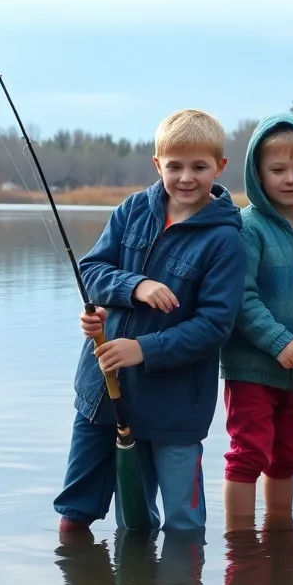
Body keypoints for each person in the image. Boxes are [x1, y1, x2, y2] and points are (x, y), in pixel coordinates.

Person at [58, 108, 248, 538]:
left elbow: (215, 326)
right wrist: (134, 286)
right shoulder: (132, 210)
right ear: (157, 164)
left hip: (176, 405)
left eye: (199, 167)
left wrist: (145, 349)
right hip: (108, 390)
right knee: (134, 521)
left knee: (183, 522)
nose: (185, 177)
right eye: (174, 166)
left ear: (219, 167)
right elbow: (91, 271)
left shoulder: (225, 241)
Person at [219, 114, 293, 529]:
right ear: (257, 172)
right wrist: (277, 341)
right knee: (249, 451)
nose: (290, 179)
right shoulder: (246, 229)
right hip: (251, 366)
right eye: (278, 170)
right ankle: (241, 540)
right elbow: (239, 297)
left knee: (290, 453)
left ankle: (280, 529)